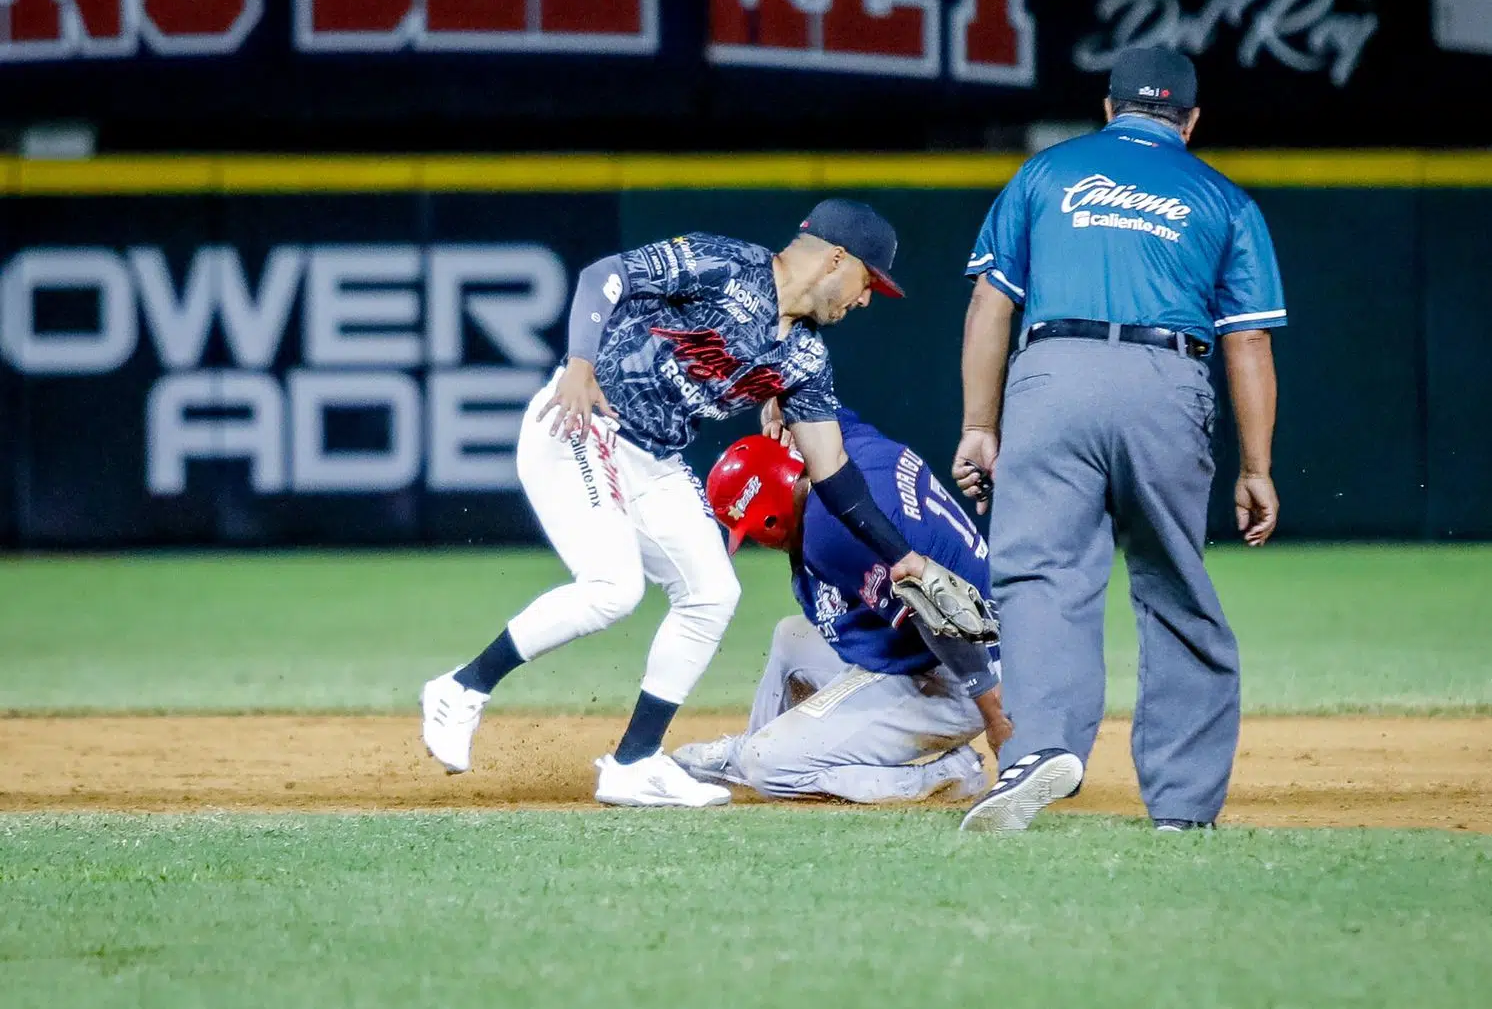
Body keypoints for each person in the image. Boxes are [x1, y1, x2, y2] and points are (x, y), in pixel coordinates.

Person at [419, 199, 974, 809]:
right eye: (868, 282)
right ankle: (462, 688)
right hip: (581, 422)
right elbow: (604, 274)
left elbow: (835, 475)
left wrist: (905, 560)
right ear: (836, 259)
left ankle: (633, 764)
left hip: (654, 458)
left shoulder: (805, 358)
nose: (865, 300)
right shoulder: (727, 264)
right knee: (613, 587)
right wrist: (579, 363)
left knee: (713, 593)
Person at [952, 47, 1286, 833]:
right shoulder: (1223, 199)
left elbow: (989, 308)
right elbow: (1249, 345)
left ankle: (1040, 749)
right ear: (1191, 120)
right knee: (1174, 582)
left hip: (1053, 375)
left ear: (1108, 107)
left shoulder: (1045, 174)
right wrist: (1258, 467)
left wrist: (978, 424)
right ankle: (1183, 806)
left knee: (1039, 575)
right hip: (1167, 379)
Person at [671, 406, 1010, 803]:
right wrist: (776, 402)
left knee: (769, 768)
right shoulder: (844, 440)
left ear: (768, 520)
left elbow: (930, 606)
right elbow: (803, 395)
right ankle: (750, 753)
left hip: (963, 671)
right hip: (979, 635)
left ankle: (948, 775)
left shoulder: (830, 530)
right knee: (791, 637)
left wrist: (994, 712)